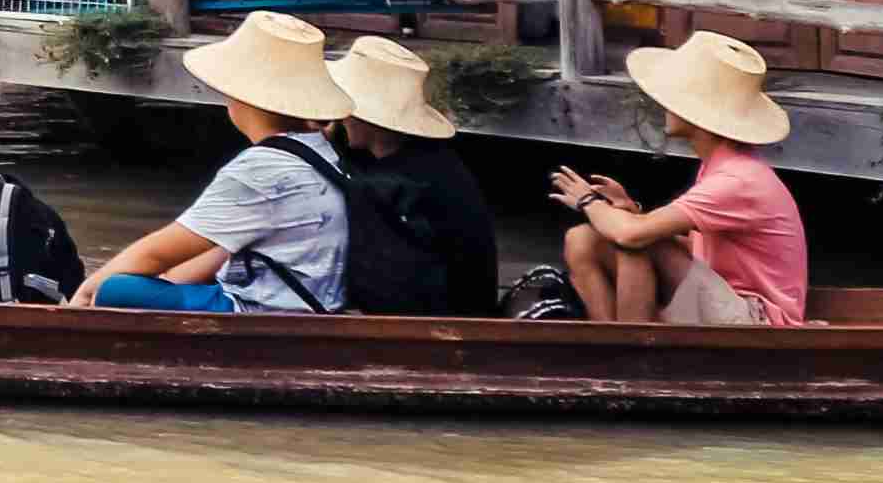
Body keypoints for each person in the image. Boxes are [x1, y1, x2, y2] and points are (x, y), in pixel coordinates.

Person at [65, 12, 353, 313]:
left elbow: (155, 254)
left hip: (261, 313)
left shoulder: (260, 170)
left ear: (241, 97)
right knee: (165, 280)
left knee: (115, 289)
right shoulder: (321, 149)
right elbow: (217, 248)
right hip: (314, 302)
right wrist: (170, 281)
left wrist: (86, 294)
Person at [549, 31, 806, 325]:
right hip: (723, 298)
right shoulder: (720, 167)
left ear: (698, 114)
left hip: (759, 321)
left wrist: (588, 200)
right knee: (581, 239)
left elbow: (633, 235)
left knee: (635, 242)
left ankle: (632, 353)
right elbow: (696, 251)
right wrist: (631, 212)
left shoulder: (738, 180)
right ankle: (608, 345)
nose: (665, 106)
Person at [327, 36, 504, 317]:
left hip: (444, 324)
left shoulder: (407, 184)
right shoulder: (427, 159)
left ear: (368, 118)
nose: (341, 118)